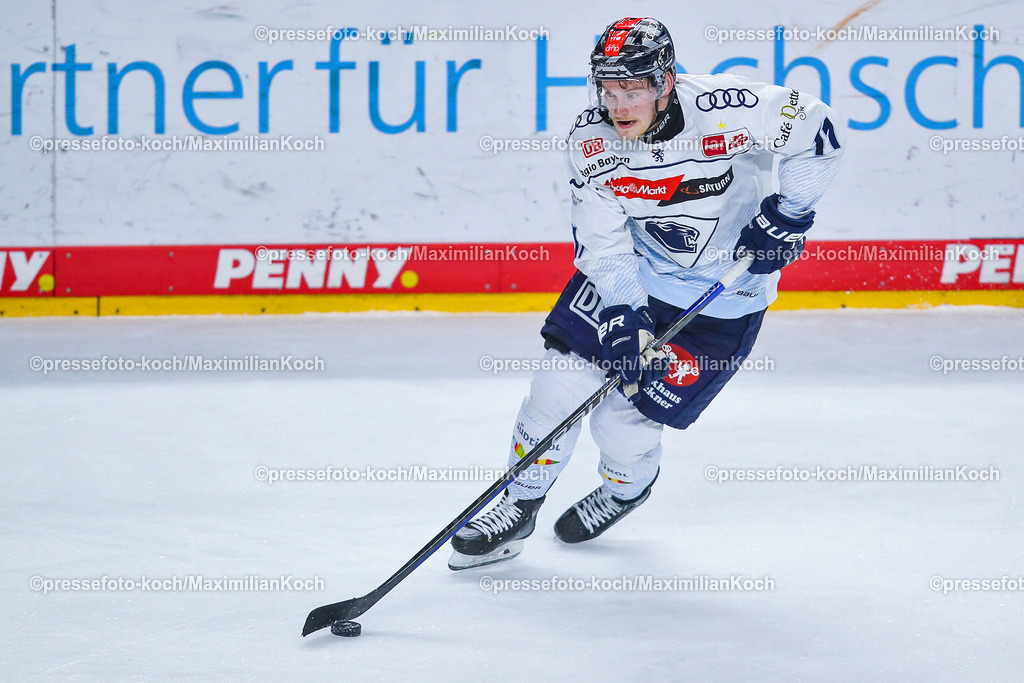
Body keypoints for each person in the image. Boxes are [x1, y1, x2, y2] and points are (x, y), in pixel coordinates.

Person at [449, 17, 844, 569]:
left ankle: (625, 489)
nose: (619, 105)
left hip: (722, 300)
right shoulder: (592, 142)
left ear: (664, 82)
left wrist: (789, 215)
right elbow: (603, 244)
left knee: (622, 420)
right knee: (556, 387)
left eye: (632, 89)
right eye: (608, 90)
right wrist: (624, 314)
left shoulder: (731, 107)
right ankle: (517, 503)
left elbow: (818, 132)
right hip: (633, 276)